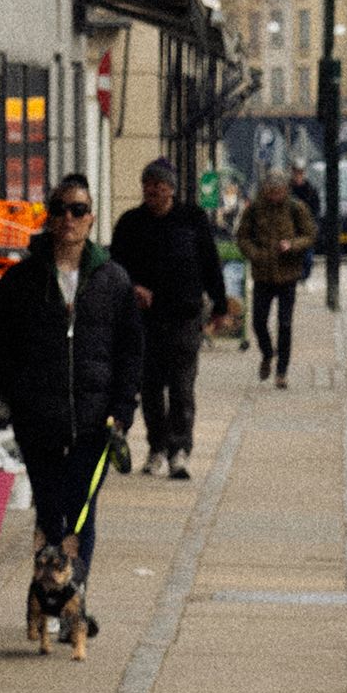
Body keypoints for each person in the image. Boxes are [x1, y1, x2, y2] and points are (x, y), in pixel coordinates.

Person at [0, 177, 142, 613]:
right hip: (40, 420)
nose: (68, 219)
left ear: (91, 218)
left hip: (96, 421)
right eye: (60, 210)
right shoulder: (21, 281)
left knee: (82, 512)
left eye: (78, 210)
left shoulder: (112, 280)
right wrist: (19, 394)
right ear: (48, 218)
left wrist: (122, 409)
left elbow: (131, 349)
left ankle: (73, 600)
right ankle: (45, 597)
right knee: (51, 511)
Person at [109, 157, 231, 479]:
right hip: (143, 321)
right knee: (150, 388)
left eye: (159, 185)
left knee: (181, 387)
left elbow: (210, 264)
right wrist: (132, 288)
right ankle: (156, 447)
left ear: (172, 189)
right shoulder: (130, 223)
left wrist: (219, 305)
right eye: (148, 184)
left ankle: (179, 449)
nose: (153, 190)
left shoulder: (191, 220)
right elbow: (114, 269)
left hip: (184, 316)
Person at [238, 168, 318, 389]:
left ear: (285, 190)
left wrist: (292, 245)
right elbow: (242, 236)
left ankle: (282, 371)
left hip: (287, 274)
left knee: (285, 324)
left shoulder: (295, 208)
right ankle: (267, 352)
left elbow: (310, 234)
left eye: (279, 191)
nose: (274, 196)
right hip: (263, 274)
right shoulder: (254, 209)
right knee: (258, 322)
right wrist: (254, 253)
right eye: (271, 191)